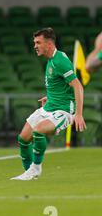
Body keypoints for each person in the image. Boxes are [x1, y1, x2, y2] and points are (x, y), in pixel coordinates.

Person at [11, 28, 86, 181]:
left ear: (49, 43)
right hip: (49, 106)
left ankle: (36, 169)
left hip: (63, 110)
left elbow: (77, 86)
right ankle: (29, 174)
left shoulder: (60, 61)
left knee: (38, 131)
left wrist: (78, 114)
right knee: (23, 139)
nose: (35, 46)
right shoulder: (52, 60)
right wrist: (50, 96)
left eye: (38, 42)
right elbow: (61, 84)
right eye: (34, 43)